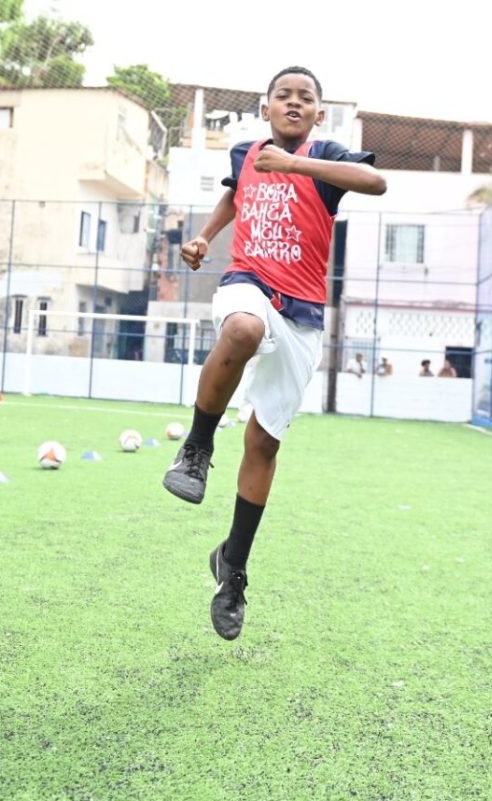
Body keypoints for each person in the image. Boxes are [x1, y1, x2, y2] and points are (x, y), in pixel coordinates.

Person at [162, 66, 386, 640]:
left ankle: (232, 568)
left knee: (263, 442)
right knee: (239, 329)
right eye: (283, 96)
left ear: (317, 113)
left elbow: (376, 185)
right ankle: (196, 449)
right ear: (266, 109)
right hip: (249, 284)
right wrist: (204, 239)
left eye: (305, 98)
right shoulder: (245, 153)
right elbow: (237, 196)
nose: (293, 102)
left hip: (303, 315)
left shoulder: (328, 157)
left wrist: (296, 165)